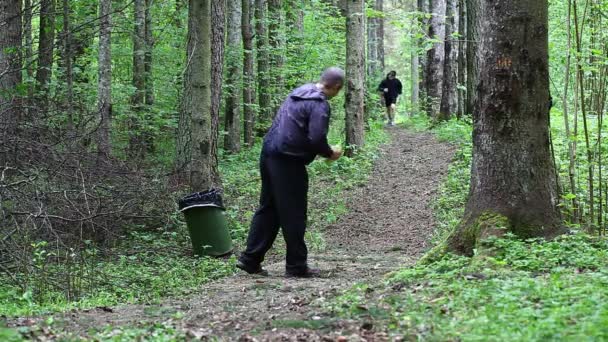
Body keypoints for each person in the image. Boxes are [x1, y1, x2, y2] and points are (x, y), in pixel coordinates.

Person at [236, 67, 344, 278]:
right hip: (288, 160)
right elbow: (316, 138)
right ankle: (296, 266)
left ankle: (250, 260)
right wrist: (330, 153)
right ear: (336, 88)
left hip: (268, 154)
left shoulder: (299, 91)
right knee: (293, 212)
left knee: (269, 208)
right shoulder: (319, 104)